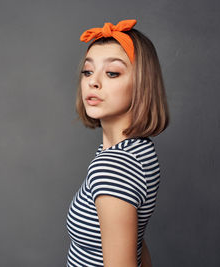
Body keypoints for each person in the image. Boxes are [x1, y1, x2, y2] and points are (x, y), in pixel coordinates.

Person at [65, 19, 170, 267]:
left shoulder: (113, 166)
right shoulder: (138, 150)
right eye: (88, 72)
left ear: (141, 85)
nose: (93, 82)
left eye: (112, 73)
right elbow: (137, 245)